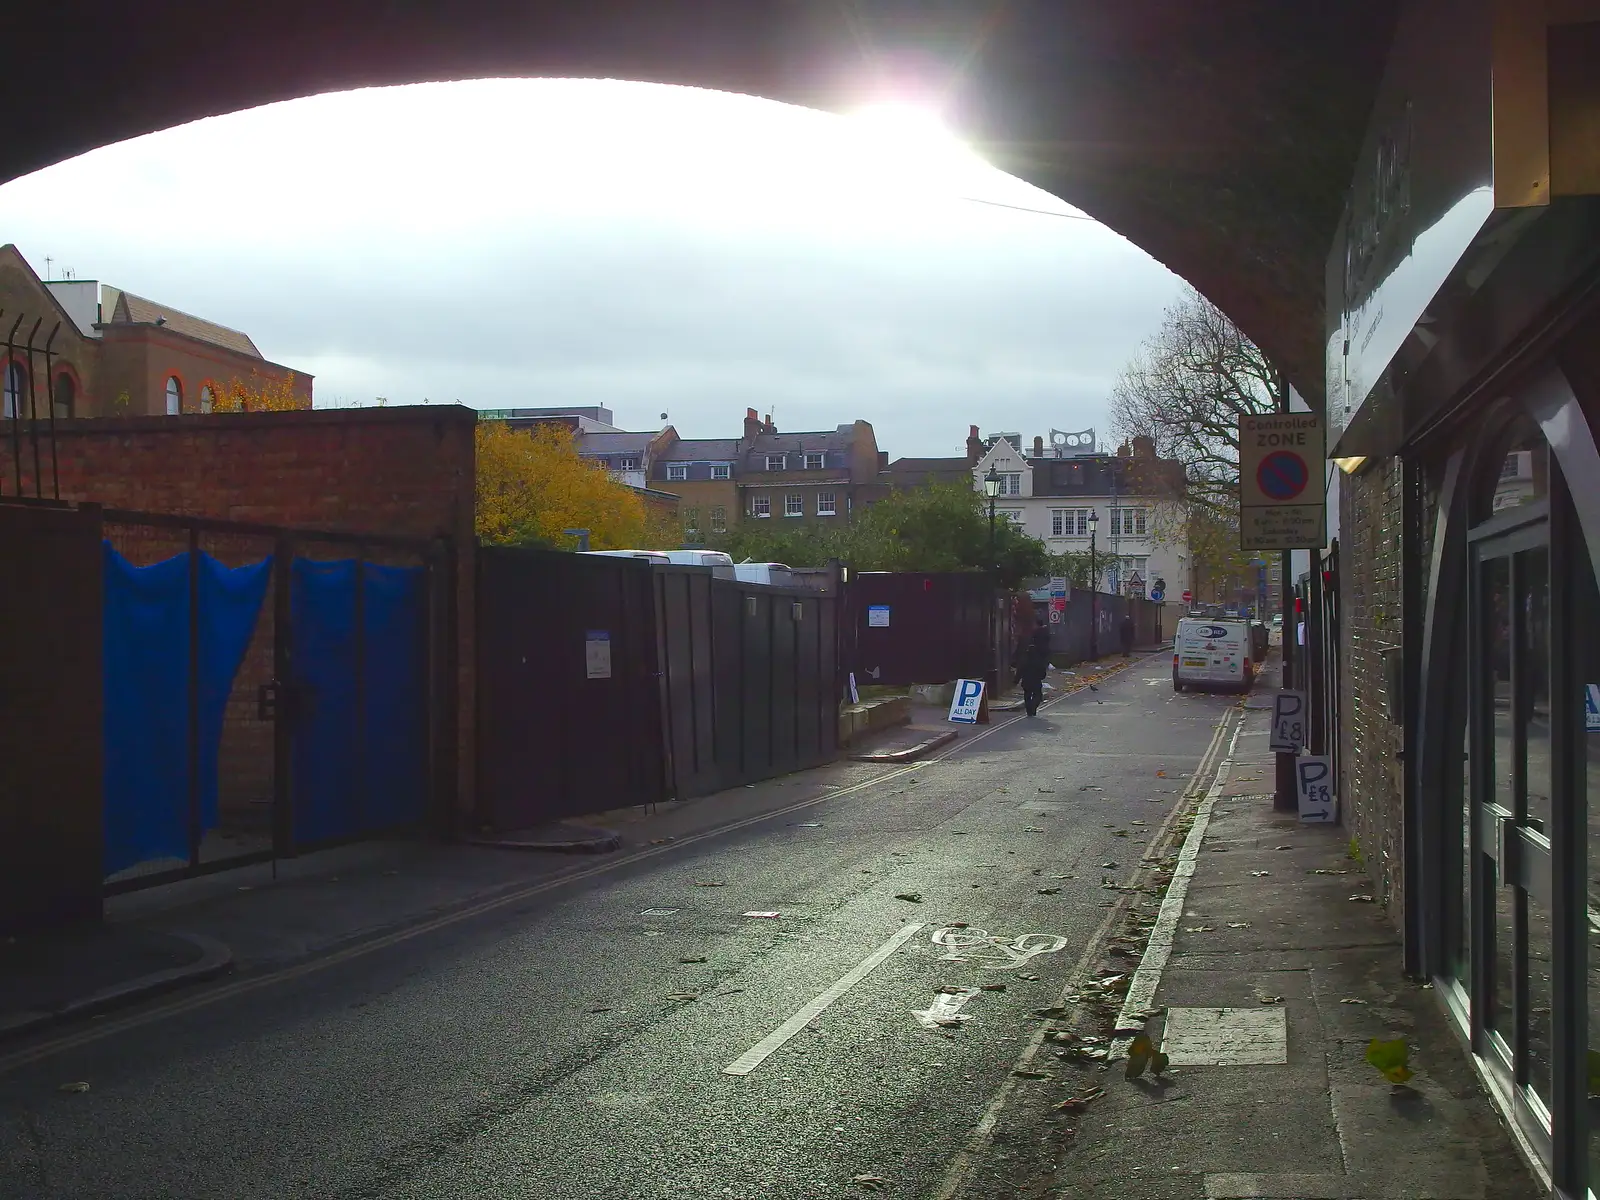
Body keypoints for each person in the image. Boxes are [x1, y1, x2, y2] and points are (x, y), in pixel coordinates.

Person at [1016, 619, 1051, 717]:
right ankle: (1032, 708)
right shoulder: (1038, 660)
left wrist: (1015, 681)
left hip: (1026, 681)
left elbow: (1019, 670)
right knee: (1038, 696)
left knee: (1027, 695)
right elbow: (1042, 670)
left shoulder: (1024, 660)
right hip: (1036, 681)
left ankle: (1029, 711)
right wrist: (1041, 676)